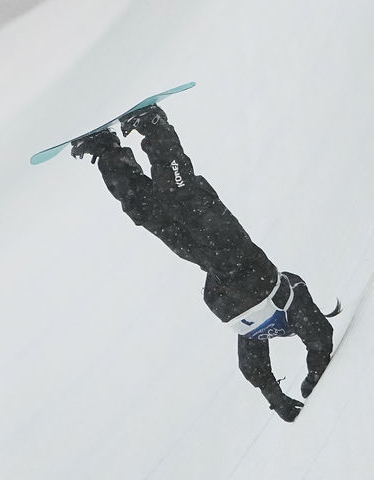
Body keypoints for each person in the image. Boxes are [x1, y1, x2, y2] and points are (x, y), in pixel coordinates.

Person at [70, 104, 340, 422]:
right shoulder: (292, 303)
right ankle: (154, 124)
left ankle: (106, 150)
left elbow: (252, 367)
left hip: (209, 263)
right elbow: (320, 335)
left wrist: (278, 399)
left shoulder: (255, 332)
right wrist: (310, 375)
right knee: (180, 194)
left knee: (147, 211)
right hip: (233, 250)